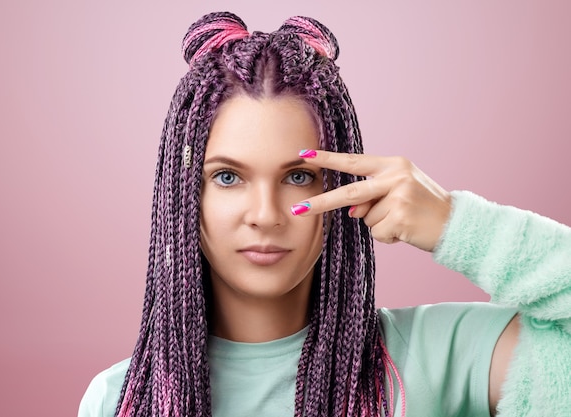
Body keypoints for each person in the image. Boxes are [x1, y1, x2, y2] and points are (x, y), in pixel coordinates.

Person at [78, 12, 571, 417]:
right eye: (228, 177)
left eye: (298, 175)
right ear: (184, 194)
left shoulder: (442, 356)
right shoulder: (120, 398)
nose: (266, 215)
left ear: (342, 188)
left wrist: (457, 224)